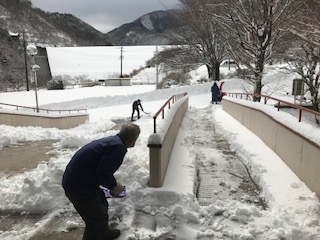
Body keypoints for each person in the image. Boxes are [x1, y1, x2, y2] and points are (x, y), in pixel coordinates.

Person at [62, 123, 141, 240]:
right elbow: (103, 174)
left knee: (102, 203)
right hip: (79, 186)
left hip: (79, 180)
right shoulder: (118, 148)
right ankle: (98, 232)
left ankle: (104, 233)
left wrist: (111, 185)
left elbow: (101, 172)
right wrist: (114, 187)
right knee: (96, 220)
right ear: (132, 139)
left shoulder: (113, 141)